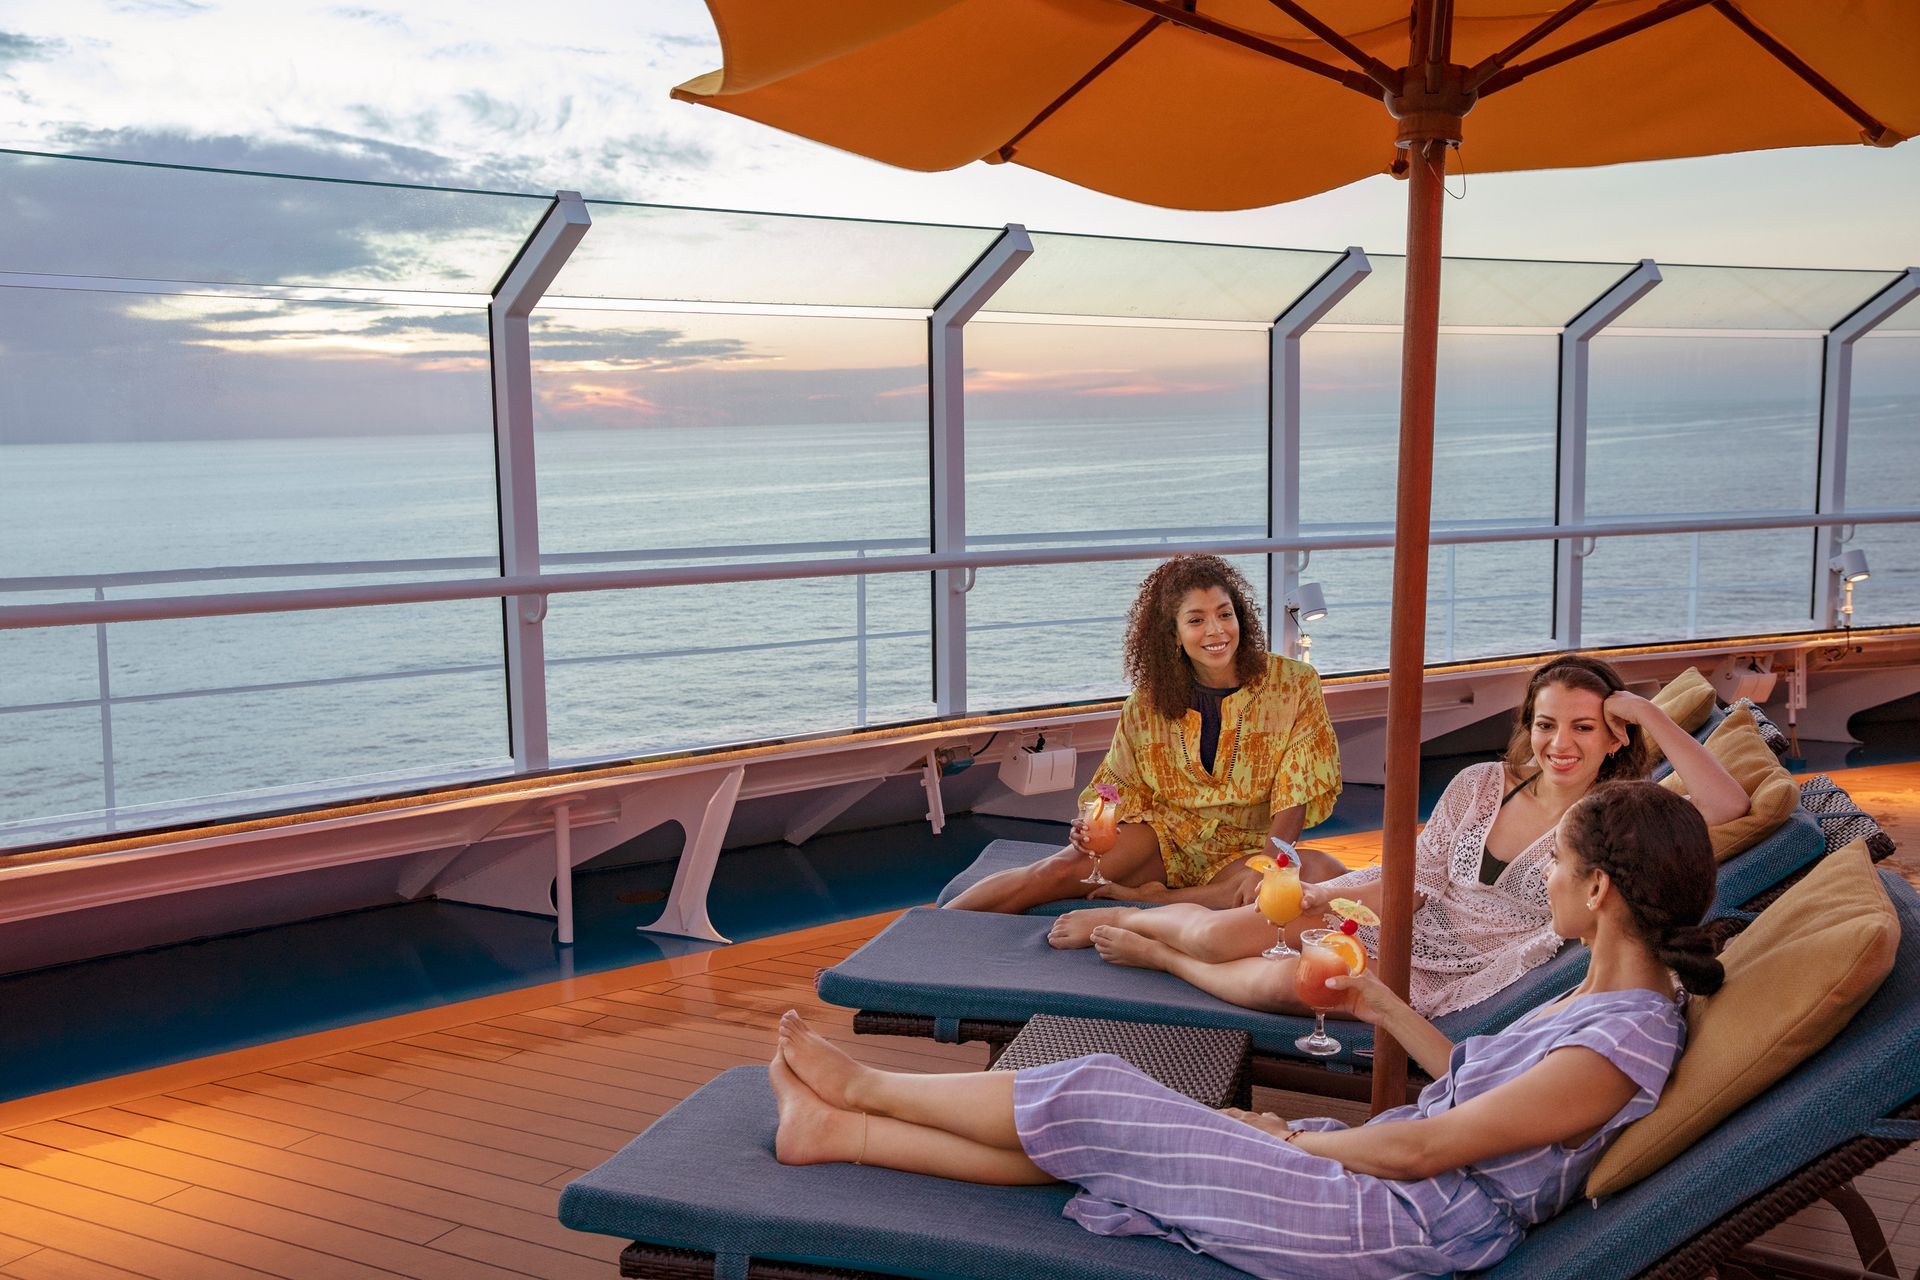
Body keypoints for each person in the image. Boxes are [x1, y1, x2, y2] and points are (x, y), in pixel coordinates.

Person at [769, 780, 1722, 1280]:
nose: (1543, 876)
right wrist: (1381, 1008)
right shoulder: (1602, 1004)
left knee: (1095, 1089)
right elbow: (1472, 1079)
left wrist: (1305, 1140)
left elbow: (1434, 1142)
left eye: (1557, 862)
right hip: (1386, 1182)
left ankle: (860, 1090)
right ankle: (835, 1134)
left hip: (1395, 1223)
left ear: (1598, 890)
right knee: (1119, 1139)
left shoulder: (1616, 1044)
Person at [1047, 654, 1749, 1020]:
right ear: (1527, 727)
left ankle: (1160, 958)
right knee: (1224, 933)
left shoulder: (1621, 818)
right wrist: (1335, 903)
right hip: (1405, 911)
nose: (1559, 744)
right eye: (1545, 724)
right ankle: (1130, 913)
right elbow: (1417, 876)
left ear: (1613, 736)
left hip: (1471, 970)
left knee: (1293, 987)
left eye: (1584, 727)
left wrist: (1647, 714)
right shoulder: (1481, 783)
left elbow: (1727, 801)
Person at [944, 554, 1345, 915]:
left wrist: (1269, 865)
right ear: (1172, 634)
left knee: (1323, 875)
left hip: (1247, 849)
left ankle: (1160, 899)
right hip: (1165, 836)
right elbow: (1115, 788)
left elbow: (1297, 794)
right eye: (1196, 620)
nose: (1216, 631)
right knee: (1053, 871)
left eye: (1225, 614)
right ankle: (931, 929)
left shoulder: (1294, 685)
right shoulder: (1147, 702)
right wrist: (1088, 824)